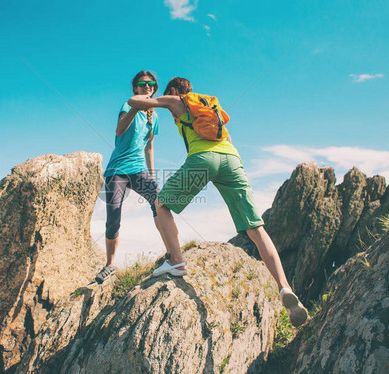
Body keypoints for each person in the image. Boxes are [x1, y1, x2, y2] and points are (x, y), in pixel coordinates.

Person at [127, 77, 308, 327]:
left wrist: (146, 96)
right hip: (232, 159)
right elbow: (229, 140)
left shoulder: (177, 100)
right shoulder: (209, 105)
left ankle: (176, 261)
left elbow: (132, 101)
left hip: (203, 158)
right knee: (256, 228)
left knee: (161, 205)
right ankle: (284, 287)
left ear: (175, 90)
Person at [95, 71, 166, 284]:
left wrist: (152, 177)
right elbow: (119, 131)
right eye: (142, 84)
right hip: (117, 169)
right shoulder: (127, 107)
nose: (147, 86)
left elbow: (150, 146)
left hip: (139, 169)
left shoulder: (155, 117)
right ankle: (110, 265)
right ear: (135, 88)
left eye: (151, 84)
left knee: (160, 204)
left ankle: (171, 253)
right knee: (113, 216)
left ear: (154, 88)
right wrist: (136, 107)